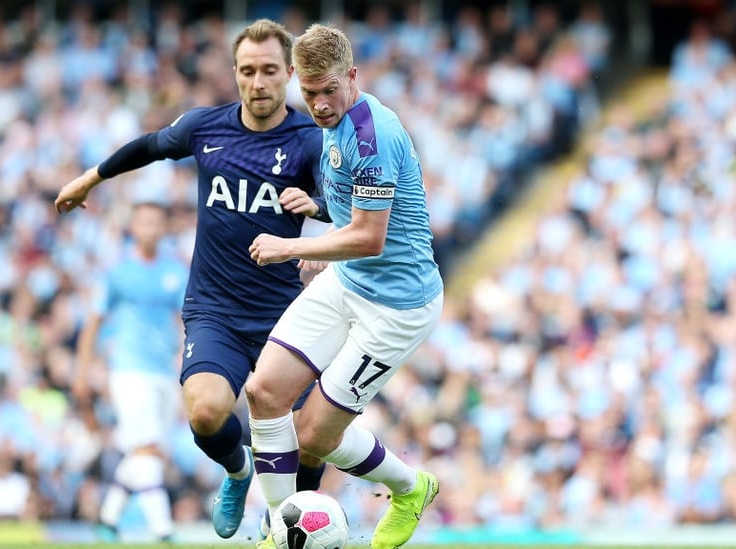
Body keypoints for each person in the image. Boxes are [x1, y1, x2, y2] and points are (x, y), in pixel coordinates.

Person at [54, 19, 331, 541]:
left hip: (284, 313)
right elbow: (151, 146)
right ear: (235, 73)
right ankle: (237, 472)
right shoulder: (206, 128)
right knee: (205, 413)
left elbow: (350, 212)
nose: (258, 82)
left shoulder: (309, 143)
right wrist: (91, 177)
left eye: (270, 70)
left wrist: (316, 217)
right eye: (248, 71)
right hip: (215, 311)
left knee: (309, 439)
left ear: (289, 73)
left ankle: (295, 527)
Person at [245, 24, 444, 549]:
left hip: (397, 306)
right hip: (349, 280)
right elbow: (354, 213)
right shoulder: (333, 124)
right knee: (264, 393)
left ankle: (411, 488)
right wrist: (319, 212)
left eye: (328, 90)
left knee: (314, 436)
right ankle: (275, 530)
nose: (318, 104)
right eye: (307, 92)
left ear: (351, 76)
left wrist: (295, 247)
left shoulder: (373, 135)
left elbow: (371, 236)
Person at [73, 200, 188, 542]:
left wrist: (185, 355)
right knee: (147, 447)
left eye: (156, 222)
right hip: (128, 370)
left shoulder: (175, 273)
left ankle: (107, 521)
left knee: (144, 451)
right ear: (133, 228)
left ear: (163, 227)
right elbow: (93, 322)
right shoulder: (118, 274)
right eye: (144, 222)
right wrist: (82, 370)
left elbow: (186, 320)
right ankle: (163, 531)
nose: (150, 228)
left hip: (163, 371)